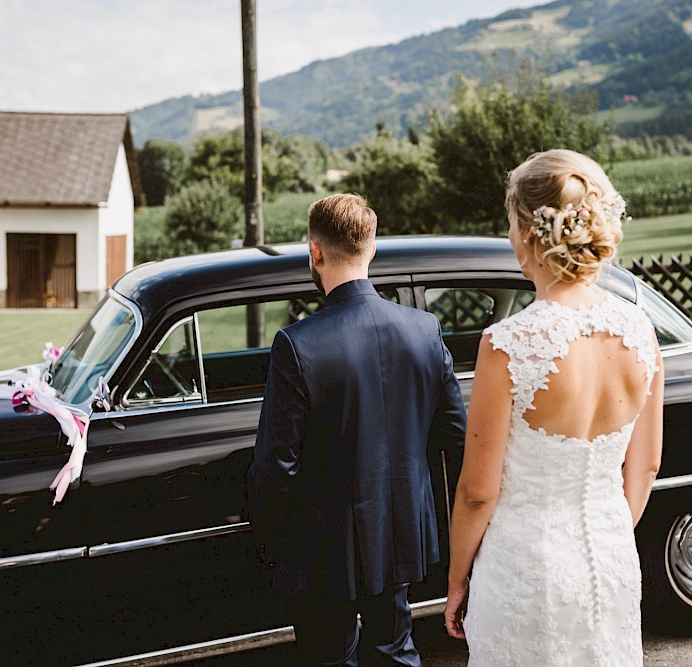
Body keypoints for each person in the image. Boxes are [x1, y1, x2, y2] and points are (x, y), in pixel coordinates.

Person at [443, 149, 664, 666]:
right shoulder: (640, 329)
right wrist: (607, 531)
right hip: (610, 557)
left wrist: (457, 582)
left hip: (525, 567)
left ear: (530, 232)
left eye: (511, 224)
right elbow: (647, 462)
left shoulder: (508, 344)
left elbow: (478, 492)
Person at [248, 193, 467, 666]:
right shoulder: (423, 329)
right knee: (395, 650)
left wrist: (272, 545)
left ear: (315, 252)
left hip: (323, 546)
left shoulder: (297, 344)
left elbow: (276, 463)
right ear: (371, 250)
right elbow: (456, 435)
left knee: (328, 656)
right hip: (403, 530)